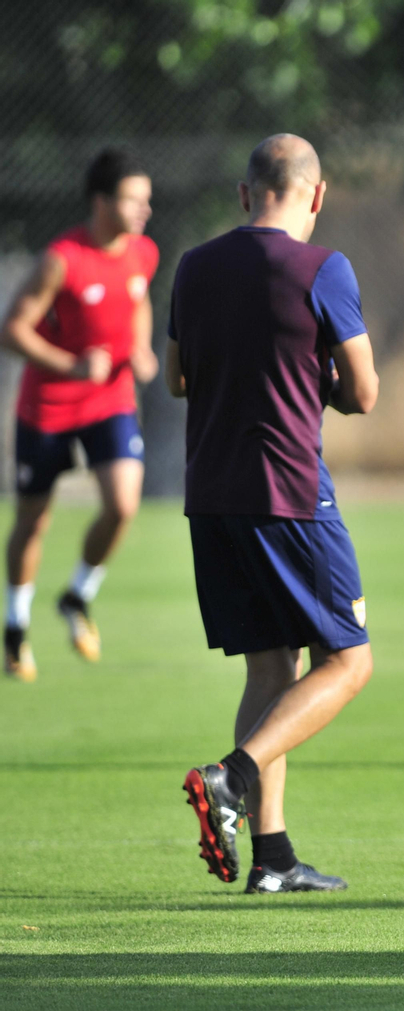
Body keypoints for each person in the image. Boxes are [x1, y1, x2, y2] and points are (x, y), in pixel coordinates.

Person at [170, 134, 378, 894]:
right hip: (289, 493)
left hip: (210, 493)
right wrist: (313, 372)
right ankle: (228, 777)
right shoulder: (325, 269)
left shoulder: (192, 267)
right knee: (349, 662)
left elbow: (176, 379)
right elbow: (363, 394)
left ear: (243, 192)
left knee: (271, 666)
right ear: (316, 196)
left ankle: (274, 859)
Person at [0, 148, 161, 681]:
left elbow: (138, 300)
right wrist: (70, 365)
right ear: (101, 201)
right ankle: (16, 628)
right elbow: (12, 329)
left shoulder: (144, 253)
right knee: (33, 521)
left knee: (122, 504)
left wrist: (139, 348)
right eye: (134, 199)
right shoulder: (62, 258)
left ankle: (75, 597)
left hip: (109, 400)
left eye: (148, 199)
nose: (145, 210)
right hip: (47, 407)